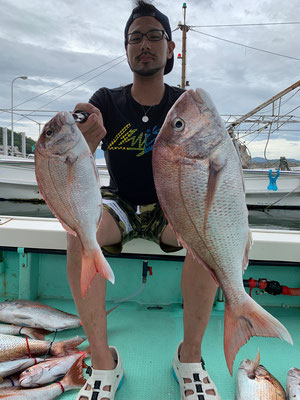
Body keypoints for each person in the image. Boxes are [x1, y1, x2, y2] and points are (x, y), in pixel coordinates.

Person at [68, 1, 221, 399]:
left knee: (204, 236)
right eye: (135, 37)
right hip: (120, 204)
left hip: (173, 206)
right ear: (126, 49)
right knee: (77, 232)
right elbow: (81, 117)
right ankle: (104, 364)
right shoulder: (107, 99)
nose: (145, 43)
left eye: (155, 35)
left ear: (171, 49)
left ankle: (189, 357)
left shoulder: (185, 105)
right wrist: (80, 121)